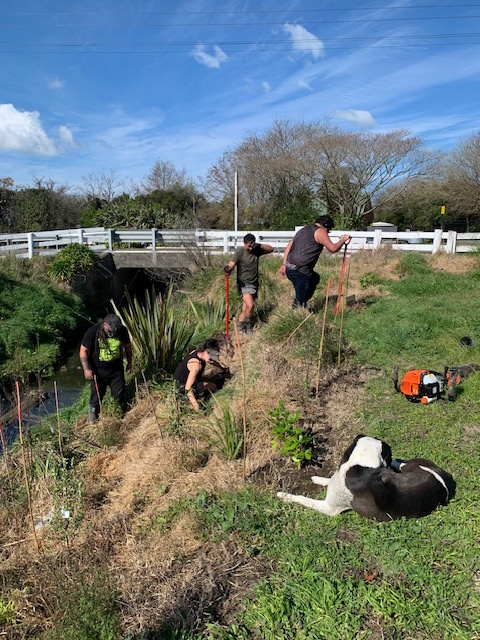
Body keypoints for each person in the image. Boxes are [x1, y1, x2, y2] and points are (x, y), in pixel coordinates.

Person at [280, 215, 351, 308]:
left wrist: (284, 264)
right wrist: (344, 239)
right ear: (326, 226)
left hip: (290, 268)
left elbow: (290, 244)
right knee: (299, 301)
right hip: (301, 271)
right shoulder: (320, 231)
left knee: (314, 278)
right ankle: (296, 314)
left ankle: (302, 304)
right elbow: (333, 248)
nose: (328, 232)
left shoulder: (304, 229)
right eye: (329, 230)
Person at [79, 313, 133, 424]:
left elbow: (128, 348)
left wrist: (129, 363)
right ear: (104, 324)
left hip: (116, 371)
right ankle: (93, 422)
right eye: (110, 331)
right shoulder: (93, 332)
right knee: (95, 399)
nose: (112, 334)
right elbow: (83, 350)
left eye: (115, 332)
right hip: (98, 373)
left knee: (119, 396)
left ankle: (119, 419)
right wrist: (86, 369)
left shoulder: (122, 331)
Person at [223, 233, 274, 333]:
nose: (250, 248)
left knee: (246, 308)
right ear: (244, 243)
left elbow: (271, 249)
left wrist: (258, 245)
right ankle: (249, 326)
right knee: (250, 305)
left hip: (254, 282)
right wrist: (228, 269)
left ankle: (240, 327)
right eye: (248, 246)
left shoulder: (256, 250)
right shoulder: (240, 252)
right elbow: (231, 264)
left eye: (252, 245)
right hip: (243, 284)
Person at [173, 339, 222, 411]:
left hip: (176, 381)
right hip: (181, 388)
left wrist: (221, 366)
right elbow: (188, 388)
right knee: (213, 386)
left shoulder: (197, 352)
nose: (211, 360)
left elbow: (211, 361)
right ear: (206, 351)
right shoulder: (196, 365)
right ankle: (206, 399)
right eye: (211, 357)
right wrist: (195, 404)